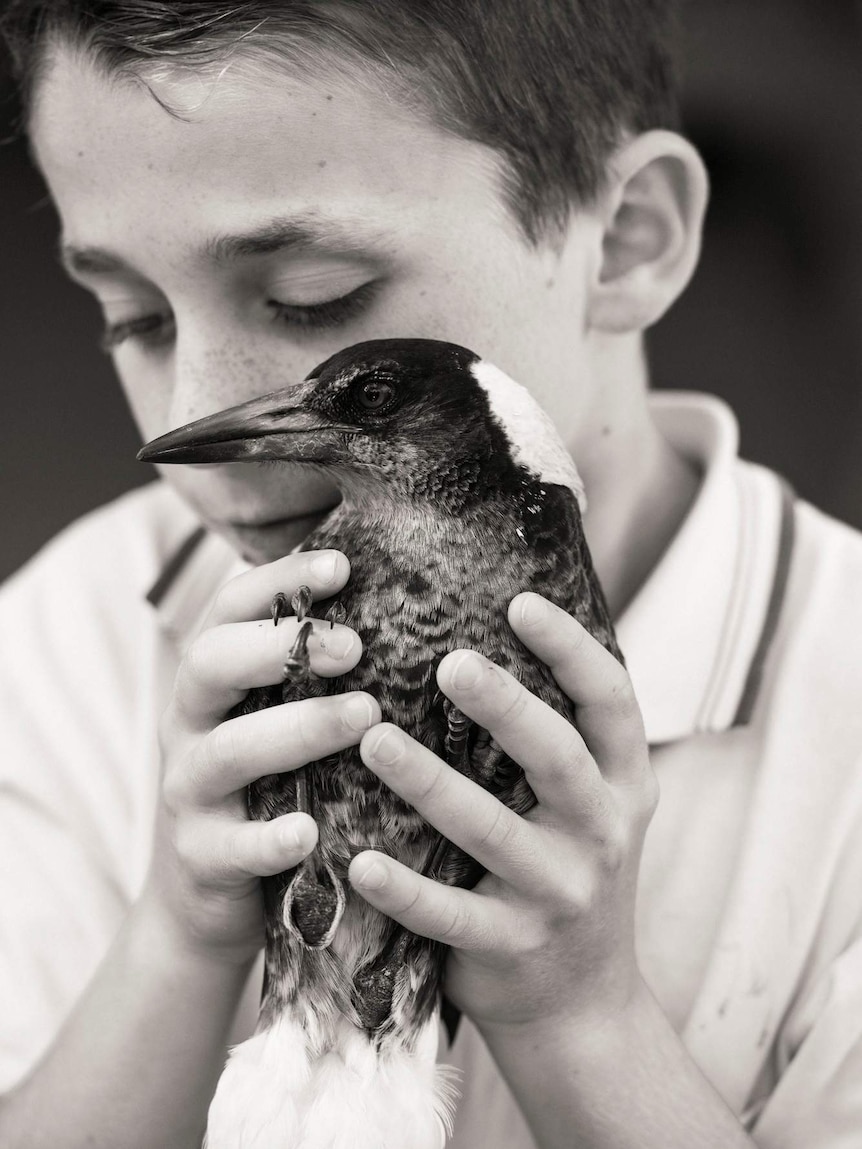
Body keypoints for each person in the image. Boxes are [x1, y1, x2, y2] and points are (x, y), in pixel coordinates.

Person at [1, 2, 861, 1147]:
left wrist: (583, 1021)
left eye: (315, 298)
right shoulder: (62, 644)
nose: (194, 421)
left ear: (628, 238)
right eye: (131, 318)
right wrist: (173, 942)